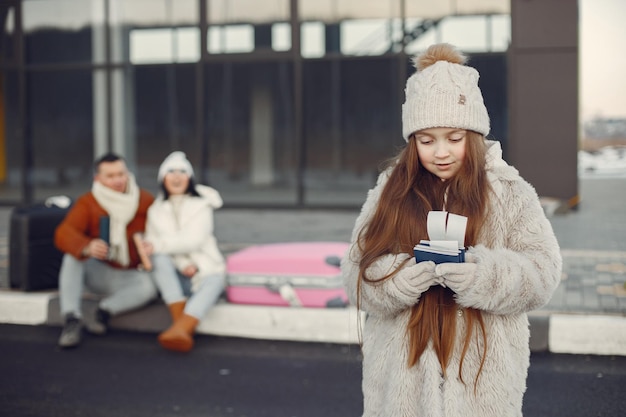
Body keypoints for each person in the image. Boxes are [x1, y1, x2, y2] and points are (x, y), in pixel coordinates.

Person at [341, 43, 562, 417]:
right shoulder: (390, 190)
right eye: (427, 141)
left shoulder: (509, 191)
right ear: (413, 141)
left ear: (474, 135)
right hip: (400, 393)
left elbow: (543, 273)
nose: (440, 152)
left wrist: (483, 275)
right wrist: (396, 280)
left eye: (454, 138)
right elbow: (355, 273)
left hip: (482, 389)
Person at [55, 153, 158, 349]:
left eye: (121, 174)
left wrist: (150, 244)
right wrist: (87, 246)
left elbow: (161, 230)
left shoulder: (144, 200)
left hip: (130, 273)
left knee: (148, 287)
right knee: (72, 257)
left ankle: (102, 312)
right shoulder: (89, 201)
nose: (117, 180)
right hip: (99, 271)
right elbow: (63, 233)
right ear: (98, 179)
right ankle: (72, 319)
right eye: (110, 176)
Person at [141, 151, 226, 353]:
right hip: (177, 278)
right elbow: (152, 243)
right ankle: (181, 327)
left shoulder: (201, 205)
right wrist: (182, 264)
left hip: (205, 271)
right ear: (163, 178)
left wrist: (159, 246)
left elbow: (193, 240)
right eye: (171, 172)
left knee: (216, 280)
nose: (177, 176)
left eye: (182, 172)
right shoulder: (156, 210)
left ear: (190, 178)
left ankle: (181, 328)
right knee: (159, 259)